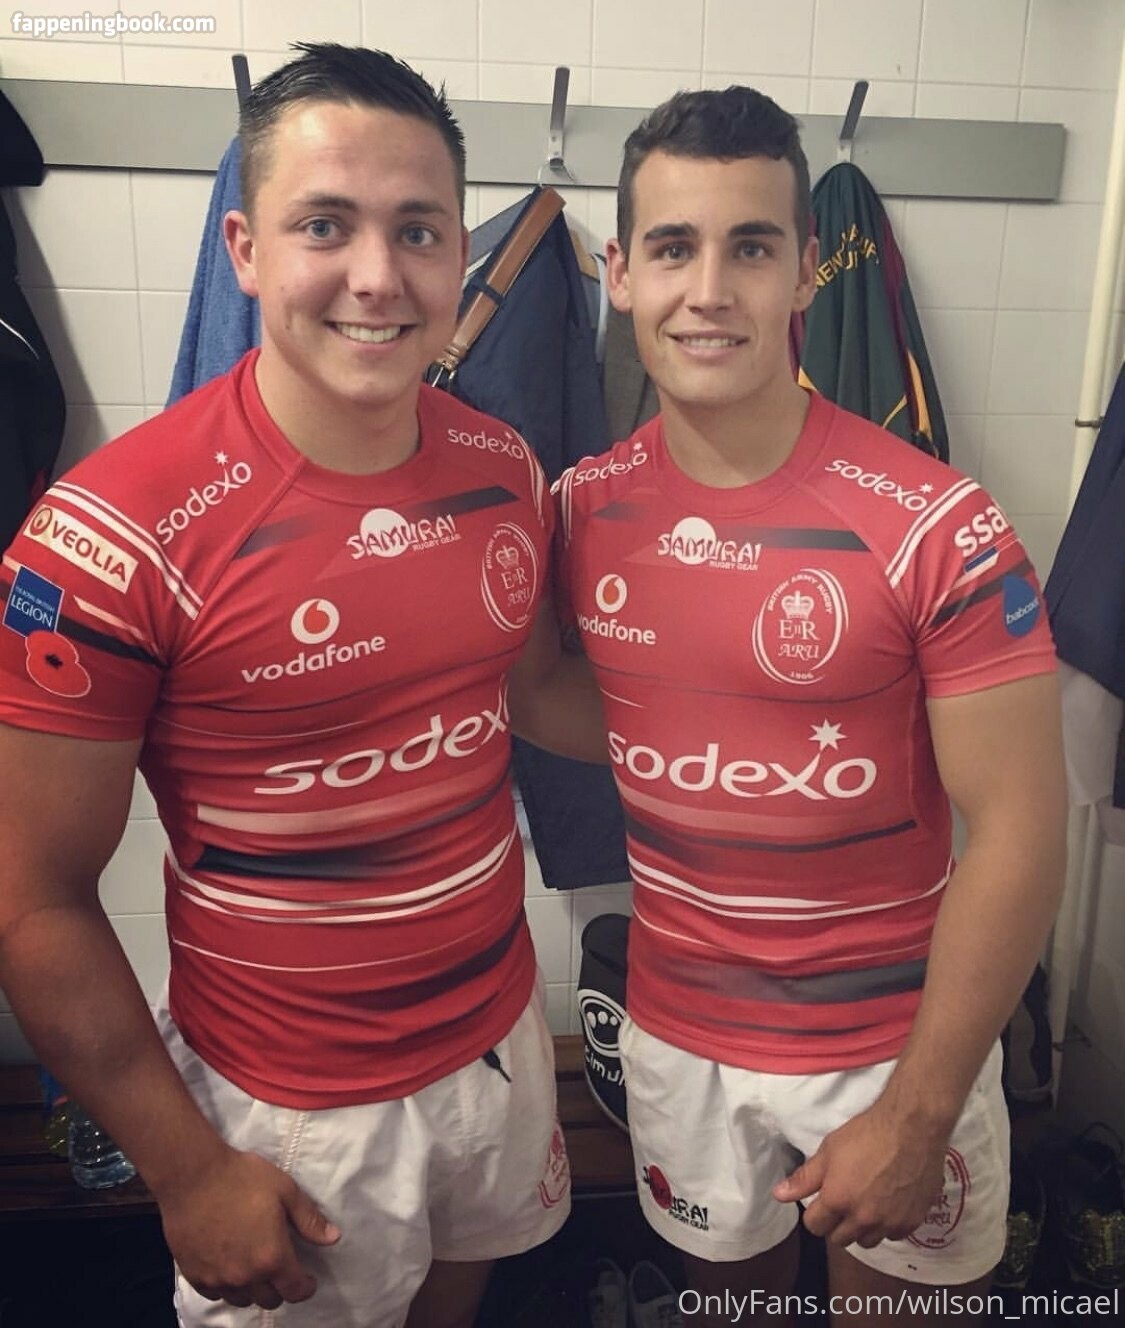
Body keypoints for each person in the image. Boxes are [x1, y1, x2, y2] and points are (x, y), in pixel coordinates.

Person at [0, 44, 599, 1328]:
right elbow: (33, 900)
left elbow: (537, 689)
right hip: (289, 1107)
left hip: (498, 1041)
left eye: (417, 230)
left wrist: (770, 714)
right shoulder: (110, 534)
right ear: (245, 249)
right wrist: (186, 1168)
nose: (377, 275)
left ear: (458, 253)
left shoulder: (505, 470)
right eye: (325, 224)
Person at [552, 87, 1066, 1326]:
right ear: (621, 273)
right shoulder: (578, 507)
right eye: (673, 247)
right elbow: (556, 697)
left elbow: (1022, 827)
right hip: (681, 1032)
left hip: (894, 1047)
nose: (709, 290)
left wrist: (921, 1110)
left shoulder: (939, 521)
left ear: (803, 273)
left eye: (751, 246)